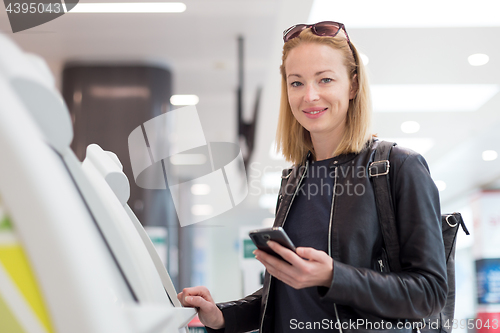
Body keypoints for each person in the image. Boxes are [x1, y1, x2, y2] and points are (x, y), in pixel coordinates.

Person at [178, 21, 447, 332]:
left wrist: (334, 276)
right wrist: (222, 315)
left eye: (325, 79)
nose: (309, 96)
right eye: (296, 83)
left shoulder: (398, 166)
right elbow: (286, 293)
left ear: (353, 86)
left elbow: (430, 293)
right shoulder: (294, 179)